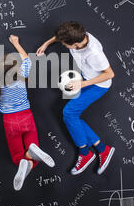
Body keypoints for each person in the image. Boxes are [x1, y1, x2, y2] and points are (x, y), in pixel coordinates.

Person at [36, 21, 115, 175]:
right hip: (87, 78)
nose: (64, 46)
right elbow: (60, 37)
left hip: (98, 84)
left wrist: (82, 84)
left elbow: (110, 74)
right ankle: (102, 150)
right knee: (72, 115)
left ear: (76, 43)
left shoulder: (94, 54)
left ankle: (85, 154)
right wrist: (46, 43)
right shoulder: (77, 35)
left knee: (69, 113)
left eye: (66, 45)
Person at [0, 35, 55, 191]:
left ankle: (25, 159)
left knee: (16, 156)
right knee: (33, 149)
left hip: (9, 121)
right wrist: (16, 43)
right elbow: (27, 59)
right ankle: (31, 153)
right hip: (26, 116)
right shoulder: (22, 74)